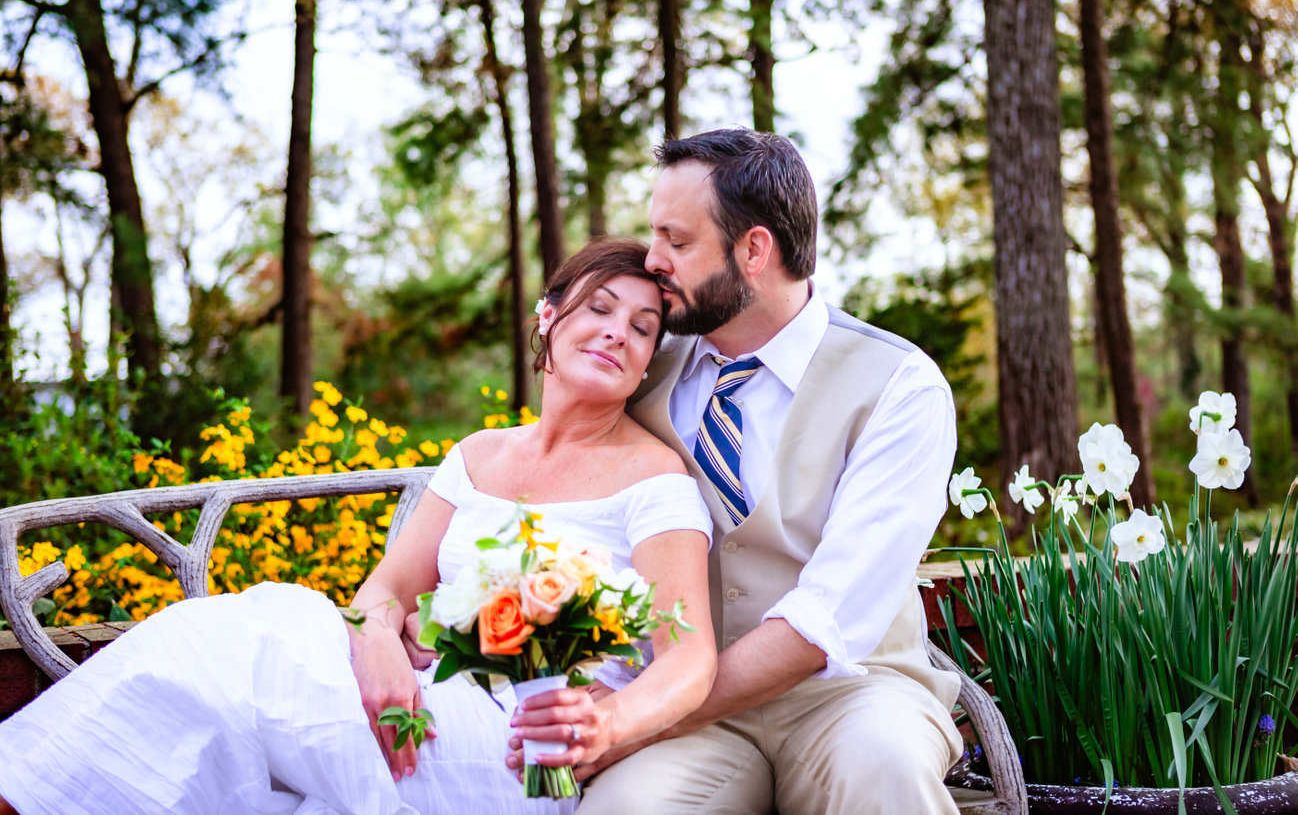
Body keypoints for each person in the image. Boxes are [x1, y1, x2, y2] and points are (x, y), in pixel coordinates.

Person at [0, 238, 717, 815]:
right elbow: (386, 588)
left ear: (648, 360)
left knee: (218, 660)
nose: (618, 332)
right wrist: (375, 636)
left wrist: (609, 721)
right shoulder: (476, 454)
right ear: (548, 315)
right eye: (600, 307)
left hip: (519, 744)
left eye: (642, 327)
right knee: (238, 675)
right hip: (409, 691)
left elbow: (689, 660)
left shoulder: (654, 480)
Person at [561, 129, 964, 815]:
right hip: (694, 718)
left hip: (854, 693)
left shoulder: (900, 385)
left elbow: (826, 619)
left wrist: (637, 714)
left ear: (753, 250)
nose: (652, 260)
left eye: (677, 241)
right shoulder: (643, 365)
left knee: (890, 771)